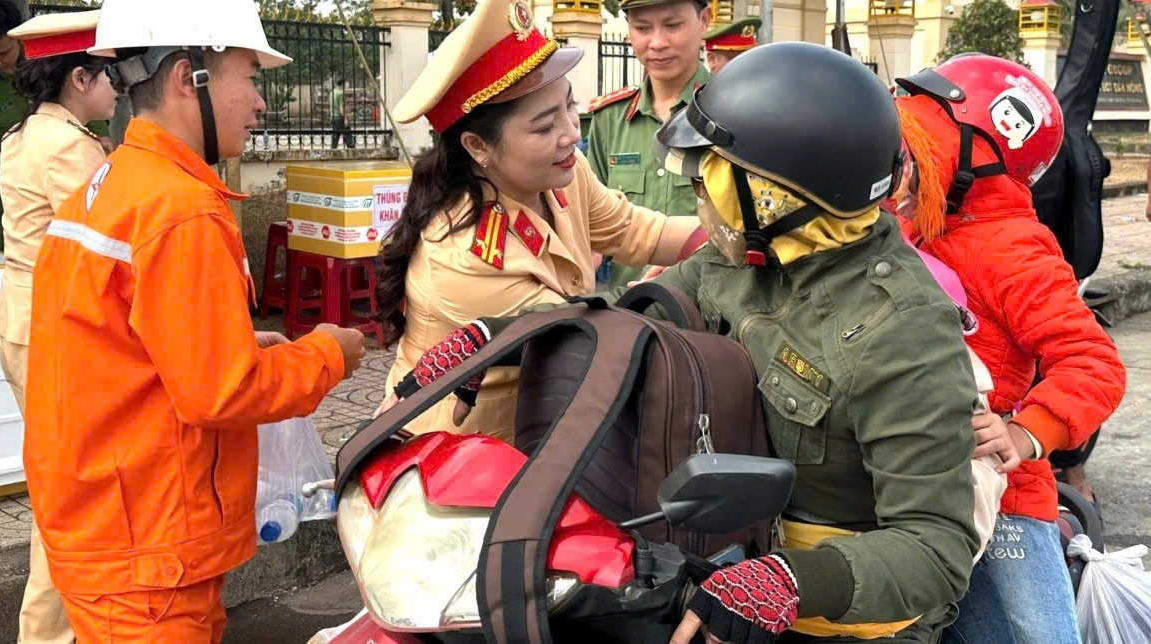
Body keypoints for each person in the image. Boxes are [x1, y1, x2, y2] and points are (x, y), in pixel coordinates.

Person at [400, 42, 981, 644]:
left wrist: (789, 582)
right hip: (714, 570)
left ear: (779, 195)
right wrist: (508, 339)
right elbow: (630, 327)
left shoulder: (902, 334)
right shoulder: (754, 255)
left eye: (713, 175)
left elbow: (936, 549)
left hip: (840, 621)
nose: (698, 191)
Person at [23, 0, 365, 643]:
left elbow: (126, 349)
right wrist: (331, 353)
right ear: (190, 77)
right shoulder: (181, 210)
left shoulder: (114, 184)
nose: (262, 101)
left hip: (106, 518)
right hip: (147, 548)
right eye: (249, 76)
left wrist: (233, 345)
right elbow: (222, 393)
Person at [376, 0, 705, 442]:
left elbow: (636, 230)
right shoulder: (464, 254)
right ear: (478, 147)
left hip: (538, 430)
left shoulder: (563, 176)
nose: (572, 133)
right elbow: (585, 336)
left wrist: (724, 237)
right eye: (545, 126)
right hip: (453, 457)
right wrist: (688, 279)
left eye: (569, 107)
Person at [892, 54, 1125, 644]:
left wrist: (1027, 432)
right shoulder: (914, 226)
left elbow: (1093, 361)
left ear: (977, 158)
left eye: (917, 144)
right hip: (918, 490)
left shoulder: (1012, 249)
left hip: (1004, 500)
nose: (900, 161)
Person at [0, 10, 117, 644]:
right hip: (55, 332)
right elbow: (103, 243)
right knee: (67, 500)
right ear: (80, 79)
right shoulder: (73, 147)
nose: (118, 91)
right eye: (110, 78)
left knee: (56, 487)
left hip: (19, 321)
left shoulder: (22, 135)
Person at [586, 0, 718, 290]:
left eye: (673, 25)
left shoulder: (733, 114)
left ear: (704, 20)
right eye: (642, 28)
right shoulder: (608, 120)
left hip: (715, 315)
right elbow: (590, 222)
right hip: (628, 315)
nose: (656, 43)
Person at [0, 0, 111, 250]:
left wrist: (101, 140)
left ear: (18, 38)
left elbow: (87, 100)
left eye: (3, 53)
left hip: (76, 182)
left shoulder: (49, 60)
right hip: (17, 206)